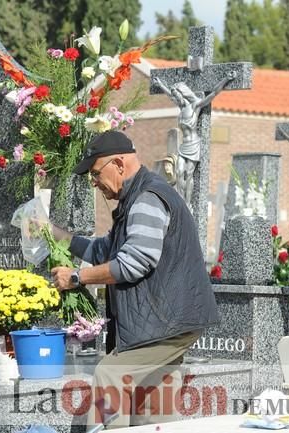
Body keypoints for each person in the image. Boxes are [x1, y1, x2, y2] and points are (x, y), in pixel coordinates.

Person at [48, 131, 218, 429]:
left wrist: (76, 277)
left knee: (110, 375)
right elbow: (104, 251)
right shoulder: (135, 200)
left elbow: (133, 263)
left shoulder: (148, 199)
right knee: (155, 405)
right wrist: (57, 235)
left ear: (119, 164)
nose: (94, 182)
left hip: (165, 322)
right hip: (168, 322)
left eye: (96, 173)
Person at [153, 72, 236, 208]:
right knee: (179, 172)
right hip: (184, 145)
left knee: (188, 174)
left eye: (177, 95)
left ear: (183, 93)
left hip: (193, 144)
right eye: (175, 96)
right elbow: (169, 95)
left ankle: (186, 203)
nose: (175, 98)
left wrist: (226, 79)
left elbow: (213, 94)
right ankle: (180, 202)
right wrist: (160, 84)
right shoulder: (181, 107)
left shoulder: (195, 106)